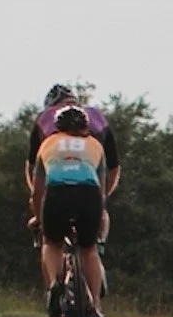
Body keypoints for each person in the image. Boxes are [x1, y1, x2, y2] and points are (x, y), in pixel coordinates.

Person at [32, 105, 108, 317]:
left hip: (57, 193)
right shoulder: (96, 145)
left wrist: (38, 218)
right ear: (85, 128)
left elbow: (37, 192)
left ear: (57, 128)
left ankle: (55, 295)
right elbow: (102, 192)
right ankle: (94, 306)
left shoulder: (47, 144)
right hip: (88, 193)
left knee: (51, 243)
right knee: (88, 249)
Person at [27, 83, 122, 250]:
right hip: (91, 177)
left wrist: (37, 197)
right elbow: (114, 168)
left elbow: (31, 167)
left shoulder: (44, 118)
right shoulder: (98, 117)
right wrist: (104, 195)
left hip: (56, 183)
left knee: (50, 240)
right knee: (100, 218)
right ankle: (99, 246)